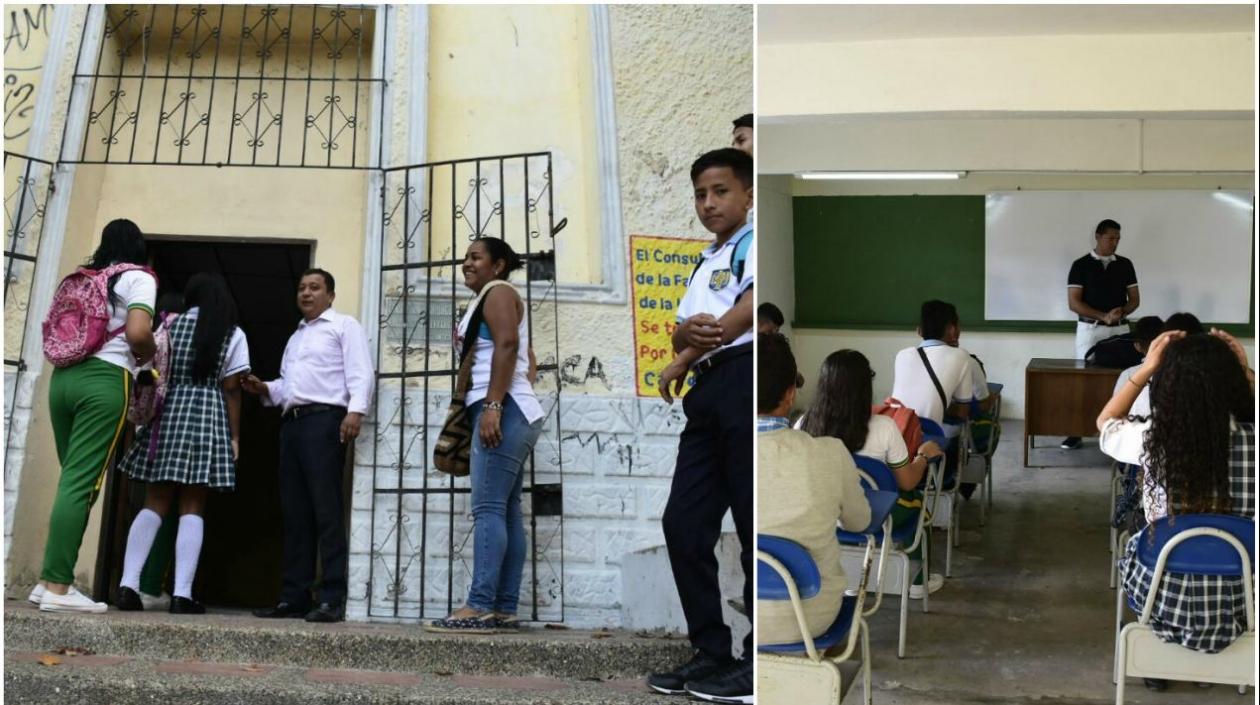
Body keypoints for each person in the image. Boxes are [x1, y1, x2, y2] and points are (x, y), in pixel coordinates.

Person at [648, 148, 754, 703]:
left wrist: (709, 334)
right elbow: (680, 333)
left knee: (753, 520)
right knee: (683, 523)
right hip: (706, 389)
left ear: (748, 194)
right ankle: (712, 652)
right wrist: (682, 354)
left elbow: (755, 307)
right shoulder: (704, 259)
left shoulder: (755, 241)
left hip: (743, 378)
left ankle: (761, 661)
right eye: (700, 194)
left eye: (721, 191)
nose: (709, 203)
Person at [1099, 329, 1254, 690]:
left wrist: (1147, 367)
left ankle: (1158, 640)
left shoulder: (1153, 439)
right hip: (1244, 600)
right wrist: (1245, 370)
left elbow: (1105, 424)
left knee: (1142, 531)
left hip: (1163, 597)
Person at [30, 219, 156, 613]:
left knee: (74, 479)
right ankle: (59, 586)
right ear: (138, 247)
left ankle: (48, 580)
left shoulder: (86, 277)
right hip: (103, 380)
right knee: (81, 483)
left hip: (62, 379)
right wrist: (149, 355)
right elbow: (137, 333)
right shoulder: (139, 278)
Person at [425, 238, 544, 634]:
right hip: (510, 408)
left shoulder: (498, 292)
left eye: (475, 257)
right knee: (505, 510)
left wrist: (494, 405)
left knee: (489, 508)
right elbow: (528, 359)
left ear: (499, 265)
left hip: (503, 410)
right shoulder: (492, 297)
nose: (466, 264)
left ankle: (479, 606)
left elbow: (508, 346)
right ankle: (504, 607)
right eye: (465, 258)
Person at [242, 268, 373, 623]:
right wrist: (264, 389)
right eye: (301, 288)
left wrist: (356, 411)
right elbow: (288, 386)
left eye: (315, 287)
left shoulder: (344, 326)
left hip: (325, 422)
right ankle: (294, 597)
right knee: (296, 513)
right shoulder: (296, 337)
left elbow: (361, 371)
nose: (306, 293)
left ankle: (331, 597)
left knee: (326, 511)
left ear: (330, 295)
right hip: (292, 425)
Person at [115, 273, 250, 614]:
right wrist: (235, 437)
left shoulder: (169, 327)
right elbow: (232, 387)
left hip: (169, 412)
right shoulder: (233, 333)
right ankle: (182, 594)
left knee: (154, 501)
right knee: (193, 504)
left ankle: (127, 586)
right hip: (208, 414)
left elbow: (150, 365)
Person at [799, 349, 946, 598]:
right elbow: (908, 481)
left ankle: (850, 576)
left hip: (823, 516)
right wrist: (922, 456)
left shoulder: (803, 424)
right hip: (875, 518)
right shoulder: (884, 428)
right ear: (865, 387)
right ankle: (918, 583)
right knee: (918, 504)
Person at [757, 334, 871, 645]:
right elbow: (859, 523)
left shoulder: (723, 455)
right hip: (812, 619)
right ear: (791, 393)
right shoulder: (831, 452)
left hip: (744, 622)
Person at [1062, 218, 1139, 449]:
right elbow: (1074, 303)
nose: (1114, 243)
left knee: (1123, 379)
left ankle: (1121, 431)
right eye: (1110, 238)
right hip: (1089, 331)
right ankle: (1076, 431)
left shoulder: (1125, 264)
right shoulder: (1080, 265)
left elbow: (1134, 299)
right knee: (1084, 381)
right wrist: (1102, 316)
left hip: (1120, 329)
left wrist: (1121, 311)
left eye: (1118, 239)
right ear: (1097, 236)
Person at [1110, 316, 1163, 418]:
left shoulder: (1128, 374)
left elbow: (1115, 413)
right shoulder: (1177, 372)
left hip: (1133, 428)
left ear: (1137, 346)